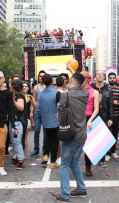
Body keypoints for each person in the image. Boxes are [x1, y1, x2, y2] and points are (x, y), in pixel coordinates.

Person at [53, 72, 90, 202]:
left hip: (71, 134)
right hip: (82, 134)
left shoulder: (66, 95)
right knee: (74, 161)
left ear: (72, 82)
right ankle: (81, 188)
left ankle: (64, 194)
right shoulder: (86, 94)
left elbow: (60, 115)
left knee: (64, 163)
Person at [38, 74, 61, 169]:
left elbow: (40, 107)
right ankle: (53, 161)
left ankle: (45, 155)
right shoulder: (56, 92)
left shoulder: (41, 94)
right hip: (55, 119)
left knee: (47, 138)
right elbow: (60, 106)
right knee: (55, 140)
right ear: (52, 81)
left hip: (45, 119)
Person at [91, 70, 113, 167]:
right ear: (95, 77)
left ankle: (102, 159)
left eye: (101, 74)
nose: (99, 76)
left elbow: (111, 105)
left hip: (104, 116)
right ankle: (94, 157)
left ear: (104, 77)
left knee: (103, 138)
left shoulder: (108, 90)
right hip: (93, 116)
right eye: (98, 74)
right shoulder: (91, 89)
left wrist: (110, 118)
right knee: (93, 137)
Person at [9, 79, 27, 170]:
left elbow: (21, 107)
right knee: (14, 140)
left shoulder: (19, 96)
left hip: (18, 122)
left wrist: (13, 101)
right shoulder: (16, 95)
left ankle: (20, 160)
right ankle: (18, 159)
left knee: (16, 141)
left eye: (11, 85)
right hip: (14, 121)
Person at [106, 72, 119, 160]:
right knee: (107, 134)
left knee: (115, 134)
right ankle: (107, 153)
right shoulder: (105, 90)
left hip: (117, 115)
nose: (112, 79)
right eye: (110, 78)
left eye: (113, 78)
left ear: (116, 79)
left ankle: (113, 151)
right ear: (108, 79)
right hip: (107, 115)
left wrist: (118, 103)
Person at [31, 70, 47, 158]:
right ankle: (36, 149)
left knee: (45, 132)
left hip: (46, 112)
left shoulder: (48, 87)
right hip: (37, 111)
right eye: (40, 76)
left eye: (43, 76)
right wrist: (31, 112)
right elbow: (33, 100)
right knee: (36, 130)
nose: (41, 78)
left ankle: (45, 149)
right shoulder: (35, 87)